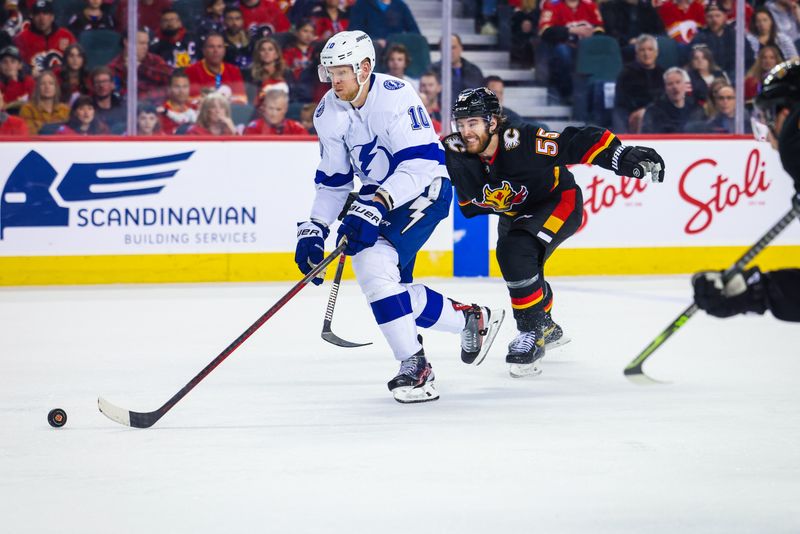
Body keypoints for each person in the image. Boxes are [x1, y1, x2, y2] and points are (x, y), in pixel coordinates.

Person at [297, 30, 504, 404]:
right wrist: (314, 227)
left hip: (424, 191)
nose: (334, 80)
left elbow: (422, 163)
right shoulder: (328, 113)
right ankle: (470, 319)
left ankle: (416, 365)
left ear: (364, 67)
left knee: (372, 263)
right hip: (382, 199)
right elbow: (333, 181)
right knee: (389, 287)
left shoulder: (395, 96)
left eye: (341, 71)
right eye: (329, 72)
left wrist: (375, 203)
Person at [443, 87, 665, 377]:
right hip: (516, 213)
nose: (465, 131)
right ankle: (545, 323)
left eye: (472, 123)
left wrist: (620, 156)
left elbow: (574, 141)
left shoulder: (521, 141)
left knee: (515, 252)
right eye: (460, 124)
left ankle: (532, 333)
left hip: (558, 201)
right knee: (519, 267)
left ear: (493, 123)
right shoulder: (456, 152)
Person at [693, 59, 800, 323]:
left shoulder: (793, 147)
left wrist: (758, 293)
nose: (771, 134)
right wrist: (761, 291)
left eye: (771, 115)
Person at [691, 1, 754, 82]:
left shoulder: (736, 36)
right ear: (705, 18)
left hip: (735, 78)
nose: (714, 20)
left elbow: (749, 59)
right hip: (708, 78)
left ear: (724, 17)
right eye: (710, 16)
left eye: (717, 16)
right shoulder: (699, 38)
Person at [613, 34, 665, 133]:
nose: (646, 54)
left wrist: (648, 110)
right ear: (636, 54)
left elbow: (664, 100)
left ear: (656, 53)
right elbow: (622, 102)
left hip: (657, 115)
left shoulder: (663, 73)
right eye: (642, 50)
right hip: (631, 116)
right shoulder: (626, 73)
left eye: (650, 49)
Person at [108, 29, 173, 105]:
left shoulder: (155, 60)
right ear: (126, 42)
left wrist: (141, 68)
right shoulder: (115, 66)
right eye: (141, 43)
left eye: (147, 43)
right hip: (129, 107)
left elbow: (171, 78)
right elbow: (116, 92)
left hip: (157, 105)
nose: (145, 47)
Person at [13, 0, 76, 73]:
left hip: (63, 81)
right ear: (32, 17)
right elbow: (17, 66)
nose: (41, 18)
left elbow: (76, 61)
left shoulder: (66, 35)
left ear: (52, 17)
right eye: (37, 14)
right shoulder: (22, 38)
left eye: (45, 13)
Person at [184, 33, 247, 106]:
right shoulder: (191, 71)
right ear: (204, 50)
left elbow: (242, 101)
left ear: (224, 51)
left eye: (219, 47)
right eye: (211, 47)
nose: (216, 50)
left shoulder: (234, 71)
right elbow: (188, 102)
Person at [641, 66, 705, 133]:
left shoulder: (696, 109)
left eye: (678, 82)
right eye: (670, 84)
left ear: (685, 85)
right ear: (665, 88)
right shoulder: (654, 110)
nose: (675, 87)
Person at [431, 34, 485, 102]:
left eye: (453, 47)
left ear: (461, 48)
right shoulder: (432, 71)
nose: (450, 52)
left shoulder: (474, 71)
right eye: (446, 48)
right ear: (440, 50)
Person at [348, 0, 420, 48]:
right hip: (371, 50)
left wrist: (400, 41)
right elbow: (355, 33)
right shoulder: (362, 4)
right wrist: (374, 40)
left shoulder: (400, 6)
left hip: (396, 51)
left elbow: (415, 33)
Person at [19, 69, 69, 133]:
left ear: (56, 88)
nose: (47, 87)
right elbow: (28, 132)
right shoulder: (28, 109)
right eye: (42, 84)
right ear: (37, 88)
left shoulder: (65, 109)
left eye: (51, 84)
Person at [158, 69, 197, 134]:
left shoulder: (195, 108)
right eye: (177, 87)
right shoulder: (161, 112)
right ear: (169, 89)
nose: (181, 91)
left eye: (185, 87)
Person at [90, 66, 126, 132]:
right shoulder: (87, 106)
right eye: (97, 82)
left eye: (105, 81)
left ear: (113, 85)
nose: (101, 85)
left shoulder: (123, 106)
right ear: (93, 86)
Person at [0, 44, 34, 112]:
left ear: (20, 65)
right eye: (4, 62)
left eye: (13, 61)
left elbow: (36, 103)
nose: (9, 65)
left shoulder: (29, 81)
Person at [222, 6, 254, 73]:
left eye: (237, 19)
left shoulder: (251, 40)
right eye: (230, 19)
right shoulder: (220, 42)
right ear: (224, 21)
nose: (234, 23)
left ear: (242, 20)